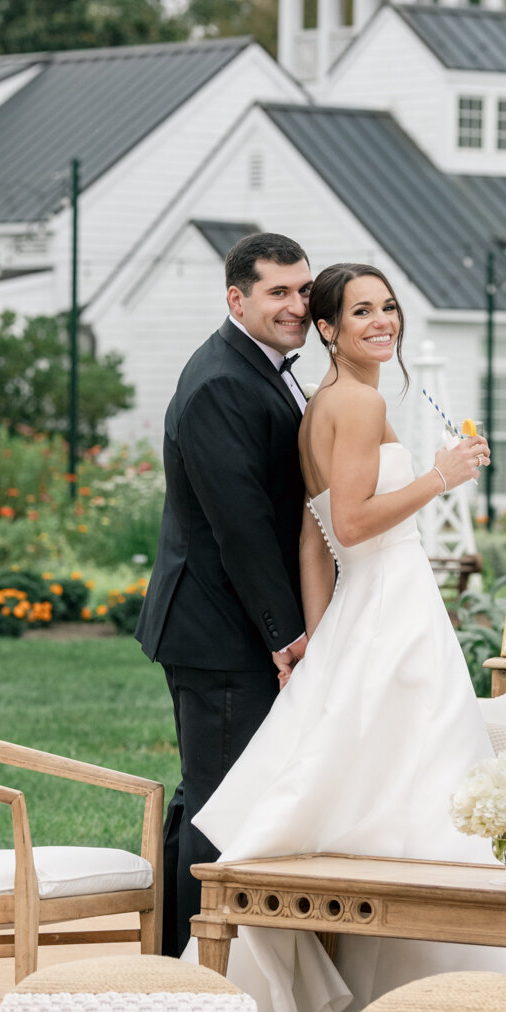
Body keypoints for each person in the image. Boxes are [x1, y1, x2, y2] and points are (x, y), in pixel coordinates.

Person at [194, 263, 506, 1012]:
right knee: (429, 797)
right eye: (361, 311)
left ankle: (409, 1000)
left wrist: (320, 642)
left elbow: (314, 535)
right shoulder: (359, 402)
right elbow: (356, 524)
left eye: (390, 306)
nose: (382, 321)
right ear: (327, 329)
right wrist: (445, 474)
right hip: (397, 620)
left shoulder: (322, 405)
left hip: (373, 620)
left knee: (395, 800)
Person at [136, 232, 313, 957]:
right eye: (278, 292)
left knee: (205, 793)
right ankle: (190, 971)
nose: (296, 306)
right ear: (236, 298)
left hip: (229, 624)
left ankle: (171, 957)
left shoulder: (264, 369)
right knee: (217, 803)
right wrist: (284, 635)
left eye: (303, 290)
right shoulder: (219, 384)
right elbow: (240, 525)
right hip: (218, 631)